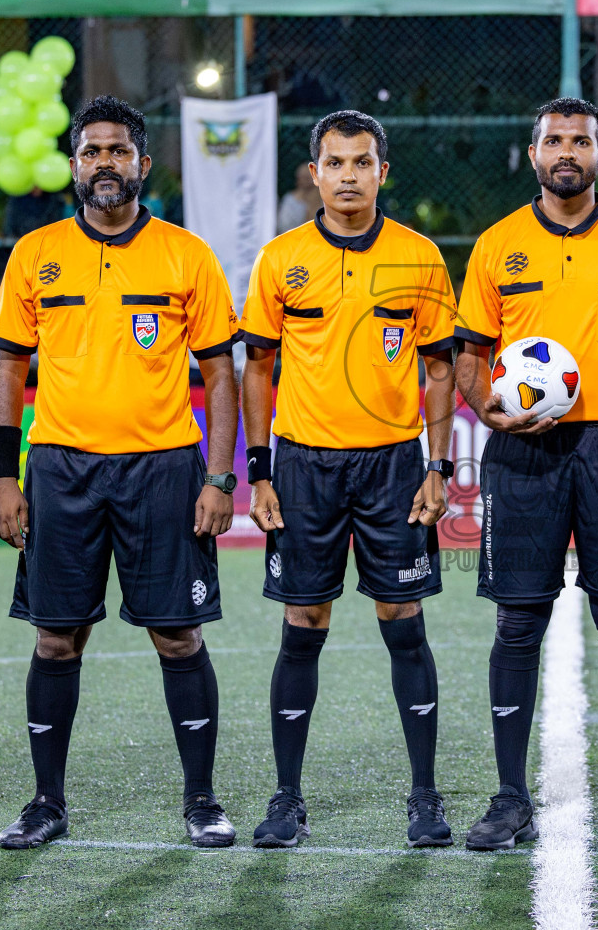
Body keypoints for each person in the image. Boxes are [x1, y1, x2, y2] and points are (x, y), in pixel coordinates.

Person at [0, 96, 241, 850]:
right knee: (56, 638)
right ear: (73, 165)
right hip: (61, 468)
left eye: (117, 151)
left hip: (163, 469)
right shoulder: (34, 253)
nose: (104, 163)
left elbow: (221, 376)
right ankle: (45, 803)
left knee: (178, 636)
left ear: (142, 165)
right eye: (91, 151)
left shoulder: (186, 255)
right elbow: (8, 368)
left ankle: (201, 800)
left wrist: (219, 478)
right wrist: (4, 478)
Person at [454, 98, 598, 853]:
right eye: (554, 140)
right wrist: (486, 409)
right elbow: (466, 353)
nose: (567, 151)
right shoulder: (497, 244)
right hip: (522, 452)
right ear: (532, 155)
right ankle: (509, 798)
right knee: (518, 623)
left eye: (580, 140)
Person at [237, 111, 458, 849]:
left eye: (362, 163)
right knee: (304, 624)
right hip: (304, 466)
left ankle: (425, 798)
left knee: (403, 623)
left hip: (393, 465)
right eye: (335, 163)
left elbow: (437, 368)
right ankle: (287, 798)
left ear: (382, 172)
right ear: (315, 173)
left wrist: (438, 465)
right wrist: (259, 473)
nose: (349, 176)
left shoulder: (420, 258)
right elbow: (259, 367)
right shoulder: (280, 260)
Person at [276, 161, 323, 233]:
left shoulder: (325, 200)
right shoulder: (290, 200)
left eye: (307, 178)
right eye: (301, 178)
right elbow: (284, 228)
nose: (305, 182)